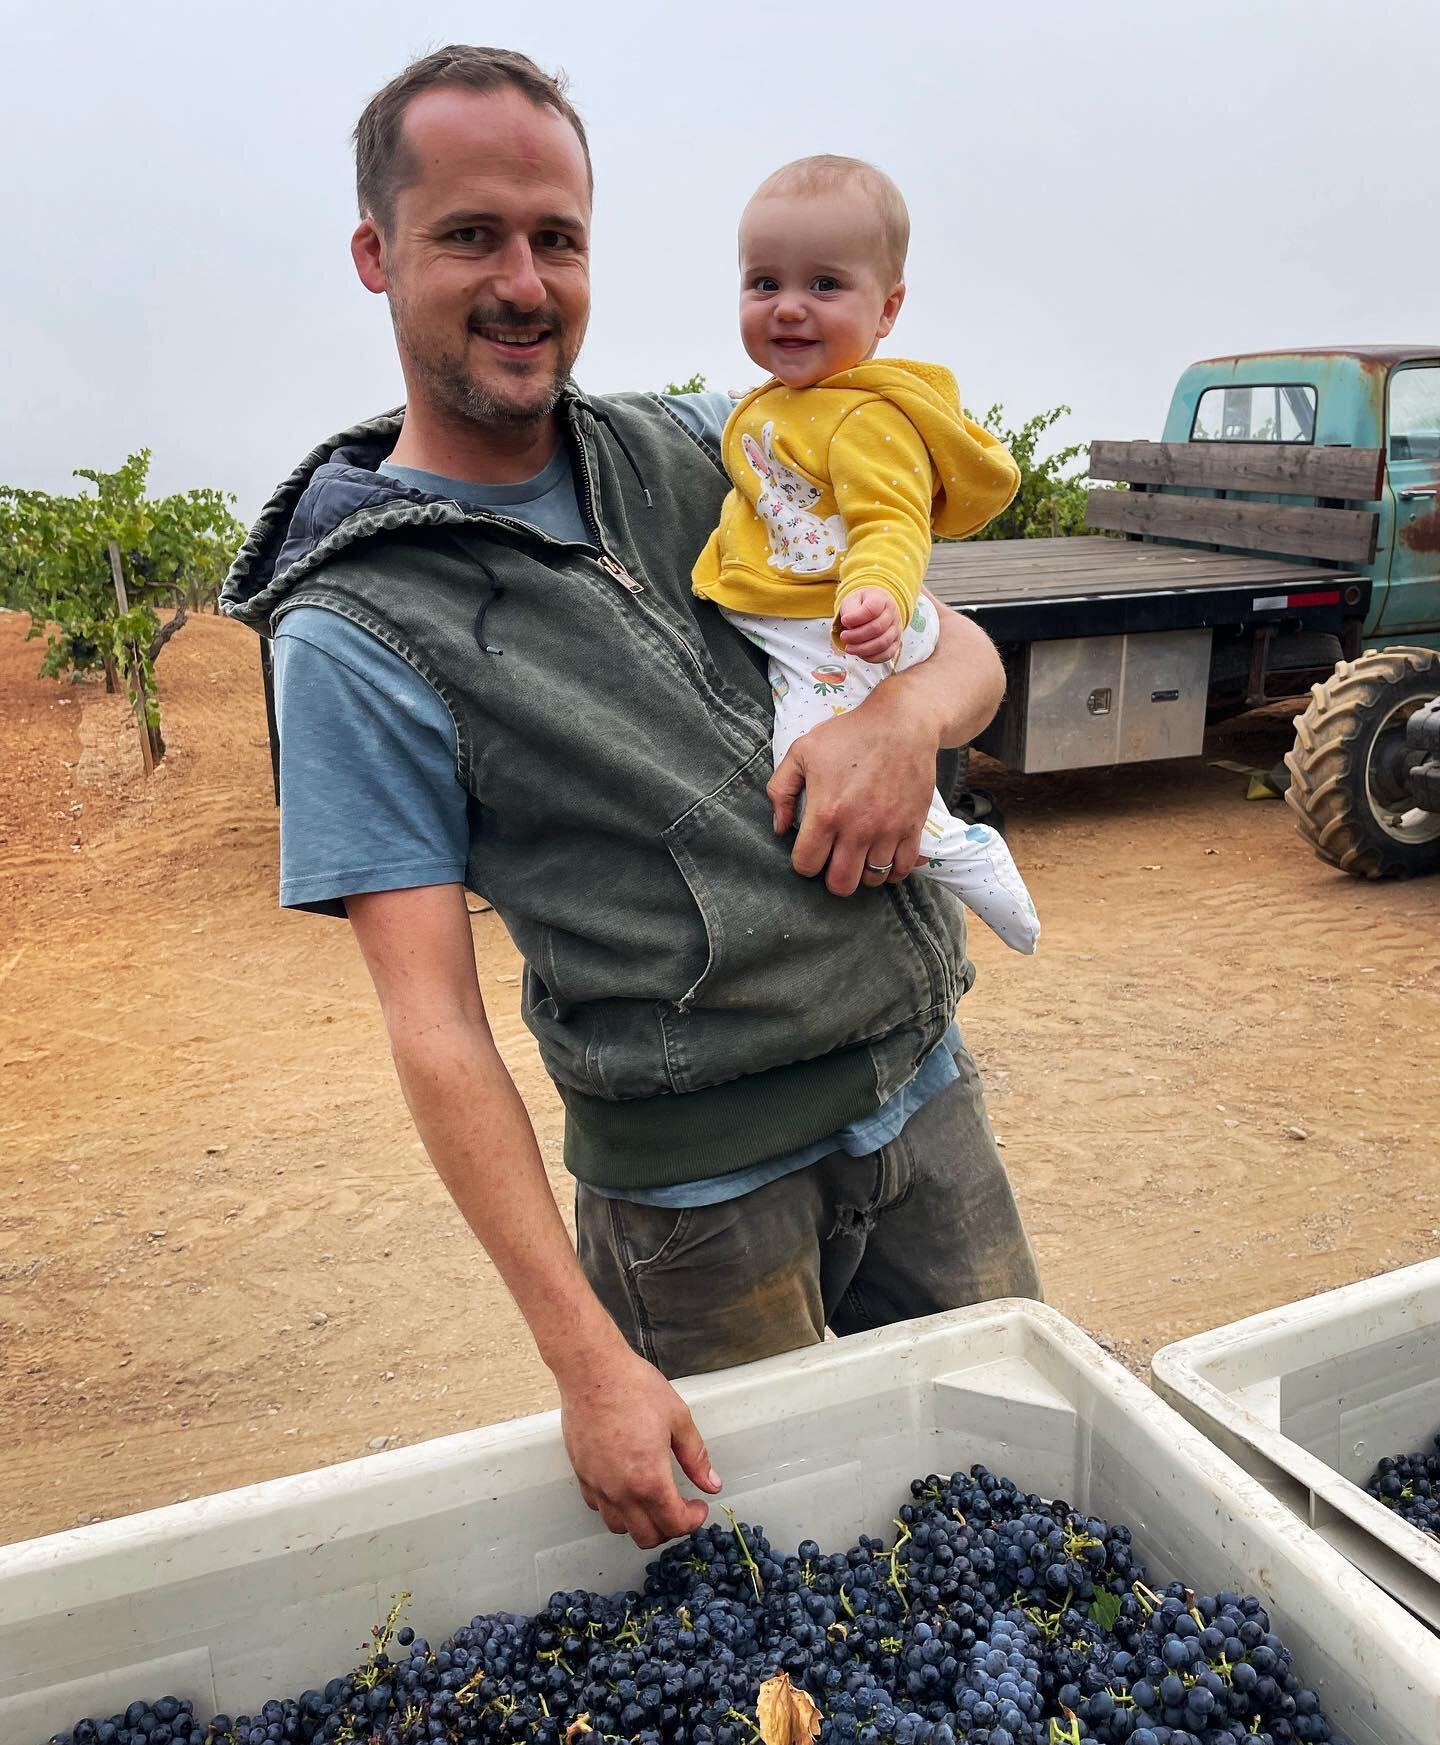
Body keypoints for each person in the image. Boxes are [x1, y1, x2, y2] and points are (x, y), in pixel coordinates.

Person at [220, 45, 1041, 1552]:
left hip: (925, 1103)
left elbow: (965, 649)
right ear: (374, 254)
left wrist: (904, 723)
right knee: (789, 1598)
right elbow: (434, 1027)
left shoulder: (696, 450)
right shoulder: (352, 633)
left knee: (1021, 1522)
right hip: (700, 1204)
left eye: (559, 238)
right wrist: (585, 1358)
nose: (524, 281)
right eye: (470, 234)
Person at [693, 156, 1039, 956]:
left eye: (823, 286)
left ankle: (961, 853)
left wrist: (878, 593)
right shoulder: (777, 406)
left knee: (809, 759)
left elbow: (891, 523)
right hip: (808, 621)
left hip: (837, 628)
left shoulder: (864, 419)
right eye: (763, 283)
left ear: (887, 310)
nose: (788, 308)